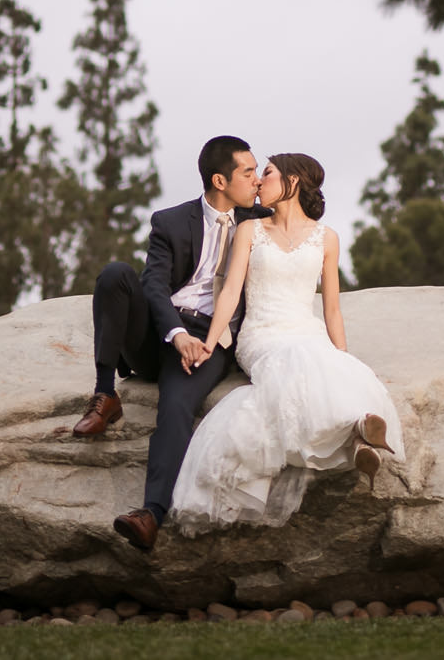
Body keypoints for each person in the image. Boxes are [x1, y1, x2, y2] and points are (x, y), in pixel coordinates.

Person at [165, 152, 403, 535]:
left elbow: (332, 310)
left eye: (269, 174)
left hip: (303, 328)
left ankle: (359, 436)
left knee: (324, 361)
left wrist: (343, 359)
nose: (259, 181)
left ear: (292, 182)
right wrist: (209, 341)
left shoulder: (327, 238)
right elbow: (229, 293)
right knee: (296, 358)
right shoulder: (250, 231)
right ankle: (354, 431)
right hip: (262, 335)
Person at [72, 135, 271, 553]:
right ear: (220, 179)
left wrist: (200, 341)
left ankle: (150, 513)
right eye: (248, 172)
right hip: (161, 333)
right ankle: (105, 393)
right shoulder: (171, 221)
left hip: (210, 338)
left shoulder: (261, 221)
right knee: (114, 275)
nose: (256, 179)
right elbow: (154, 286)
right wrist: (176, 335)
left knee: (177, 406)